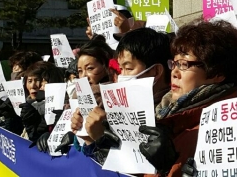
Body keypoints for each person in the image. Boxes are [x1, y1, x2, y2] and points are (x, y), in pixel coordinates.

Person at [138, 20, 237, 177]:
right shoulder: (163, 118)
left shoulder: (236, 131)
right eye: (173, 63)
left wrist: (167, 169)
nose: (174, 72)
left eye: (184, 64)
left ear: (217, 74)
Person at [71, 28, 175, 162]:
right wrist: (88, 137)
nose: (122, 76)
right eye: (121, 69)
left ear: (155, 71)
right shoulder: (115, 110)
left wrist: (102, 138)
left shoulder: (172, 116)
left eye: (129, 68)